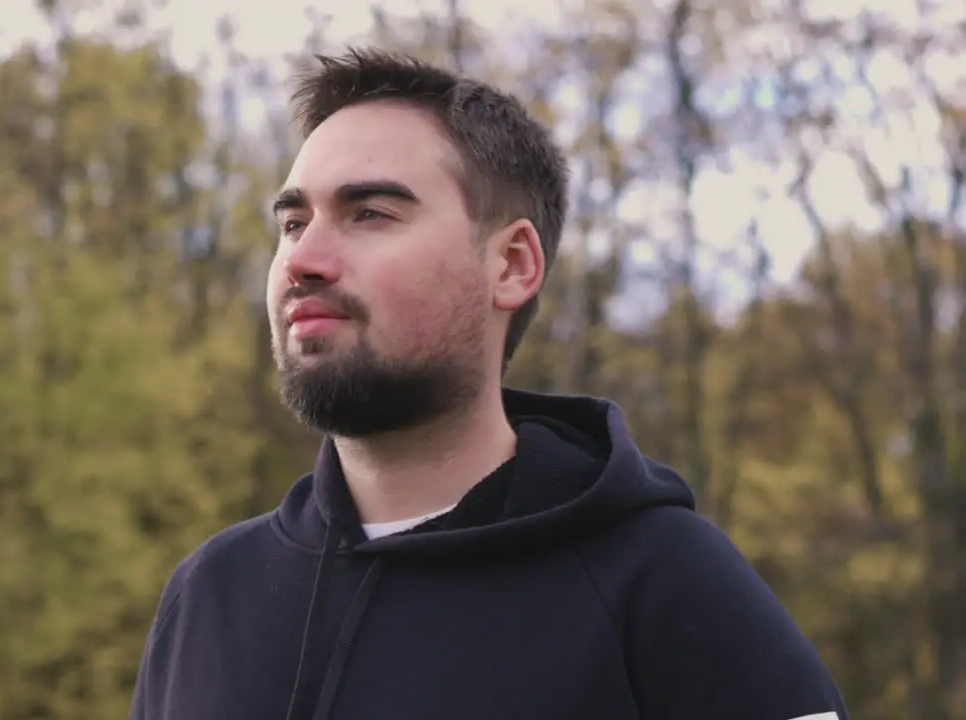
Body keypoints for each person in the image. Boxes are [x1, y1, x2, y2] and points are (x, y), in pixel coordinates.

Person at [128, 47, 847, 720]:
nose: (302, 259)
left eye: (370, 213)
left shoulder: (667, 582)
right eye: (292, 222)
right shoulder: (211, 595)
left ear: (511, 266)